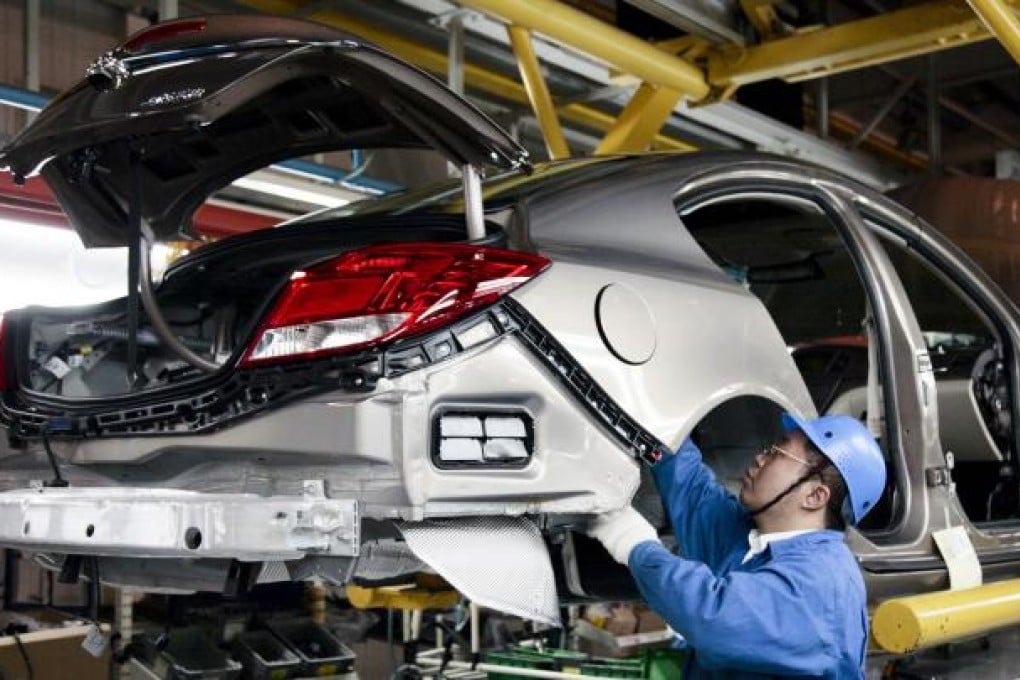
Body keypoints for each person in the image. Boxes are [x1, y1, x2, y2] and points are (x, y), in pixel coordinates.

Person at [587, 412, 886, 679]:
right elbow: (691, 490)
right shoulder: (749, 537)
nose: (759, 457)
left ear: (814, 496)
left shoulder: (822, 583)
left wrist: (633, 543)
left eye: (778, 453)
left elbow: (711, 614)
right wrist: (649, 418)